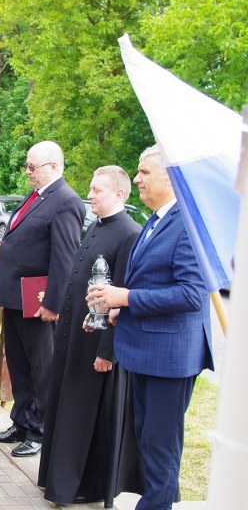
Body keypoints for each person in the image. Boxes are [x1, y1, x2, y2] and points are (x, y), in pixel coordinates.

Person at [88, 146, 213, 510]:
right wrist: (118, 311)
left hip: (170, 358)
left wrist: (125, 298)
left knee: (160, 449)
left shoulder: (188, 224)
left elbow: (190, 294)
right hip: (146, 351)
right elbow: (152, 283)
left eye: (144, 172)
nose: (137, 179)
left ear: (170, 177)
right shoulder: (156, 220)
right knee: (150, 443)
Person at [37, 166, 144, 507]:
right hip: (74, 334)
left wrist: (107, 351)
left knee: (82, 416)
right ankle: (57, 481)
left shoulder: (129, 233)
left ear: (119, 194)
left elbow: (121, 297)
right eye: (91, 189)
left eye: (97, 190)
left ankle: (77, 486)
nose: (90, 195)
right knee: (65, 406)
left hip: (97, 342)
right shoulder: (96, 224)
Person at [0, 141, 85, 457]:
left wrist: (53, 303)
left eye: (33, 166)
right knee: (18, 364)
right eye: (27, 165)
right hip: (17, 297)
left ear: (54, 166)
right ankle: (21, 421)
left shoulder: (65, 201)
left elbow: (64, 258)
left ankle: (40, 431)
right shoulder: (36, 195)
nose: (28, 171)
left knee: (42, 368)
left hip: (38, 300)